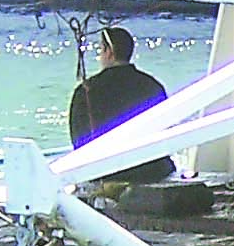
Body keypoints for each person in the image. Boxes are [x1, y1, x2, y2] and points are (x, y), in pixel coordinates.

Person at [67, 24, 173, 180]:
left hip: (107, 174)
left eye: (100, 50)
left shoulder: (86, 90)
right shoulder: (153, 86)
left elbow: (79, 140)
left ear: (109, 52)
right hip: (153, 170)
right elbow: (166, 132)